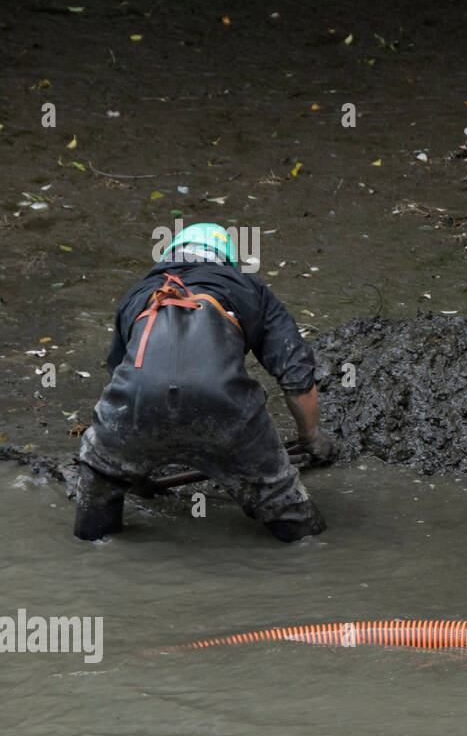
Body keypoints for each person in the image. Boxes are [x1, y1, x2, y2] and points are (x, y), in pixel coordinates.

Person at [74, 223, 334, 542]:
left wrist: (132, 464)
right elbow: (297, 377)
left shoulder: (138, 294)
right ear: (225, 261)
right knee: (298, 527)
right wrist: (311, 438)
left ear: (170, 256)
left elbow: (118, 376)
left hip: (136, 407)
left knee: (98, 484)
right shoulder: (248, 288)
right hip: (227, 412)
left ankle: (95, 535)